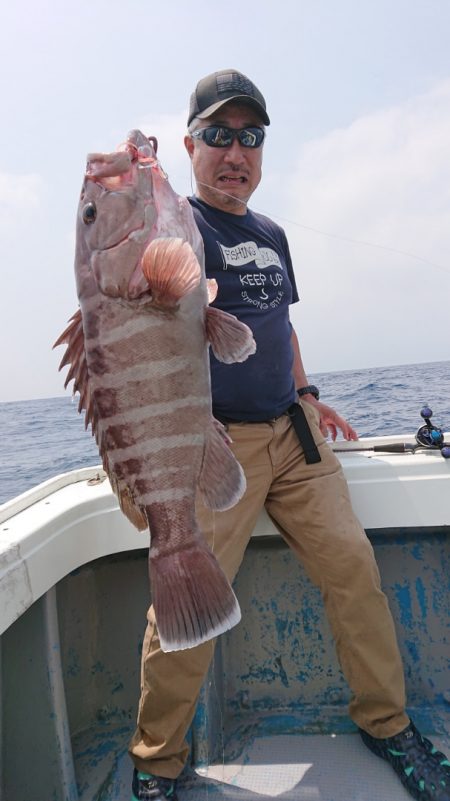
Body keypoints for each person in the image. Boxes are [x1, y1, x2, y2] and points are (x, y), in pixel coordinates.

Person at [129, 69, 450, 801]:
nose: (234, 150)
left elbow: (283, 322)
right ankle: (156, 761)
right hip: (216, 443)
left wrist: (308, 392)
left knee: (354, 571)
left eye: (250, 136)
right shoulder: (175, 224)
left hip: (295, 435)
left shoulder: (270, 233)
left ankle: (386, 721)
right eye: (218, 134)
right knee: (185, 600)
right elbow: (139, 284)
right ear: (189, 145)